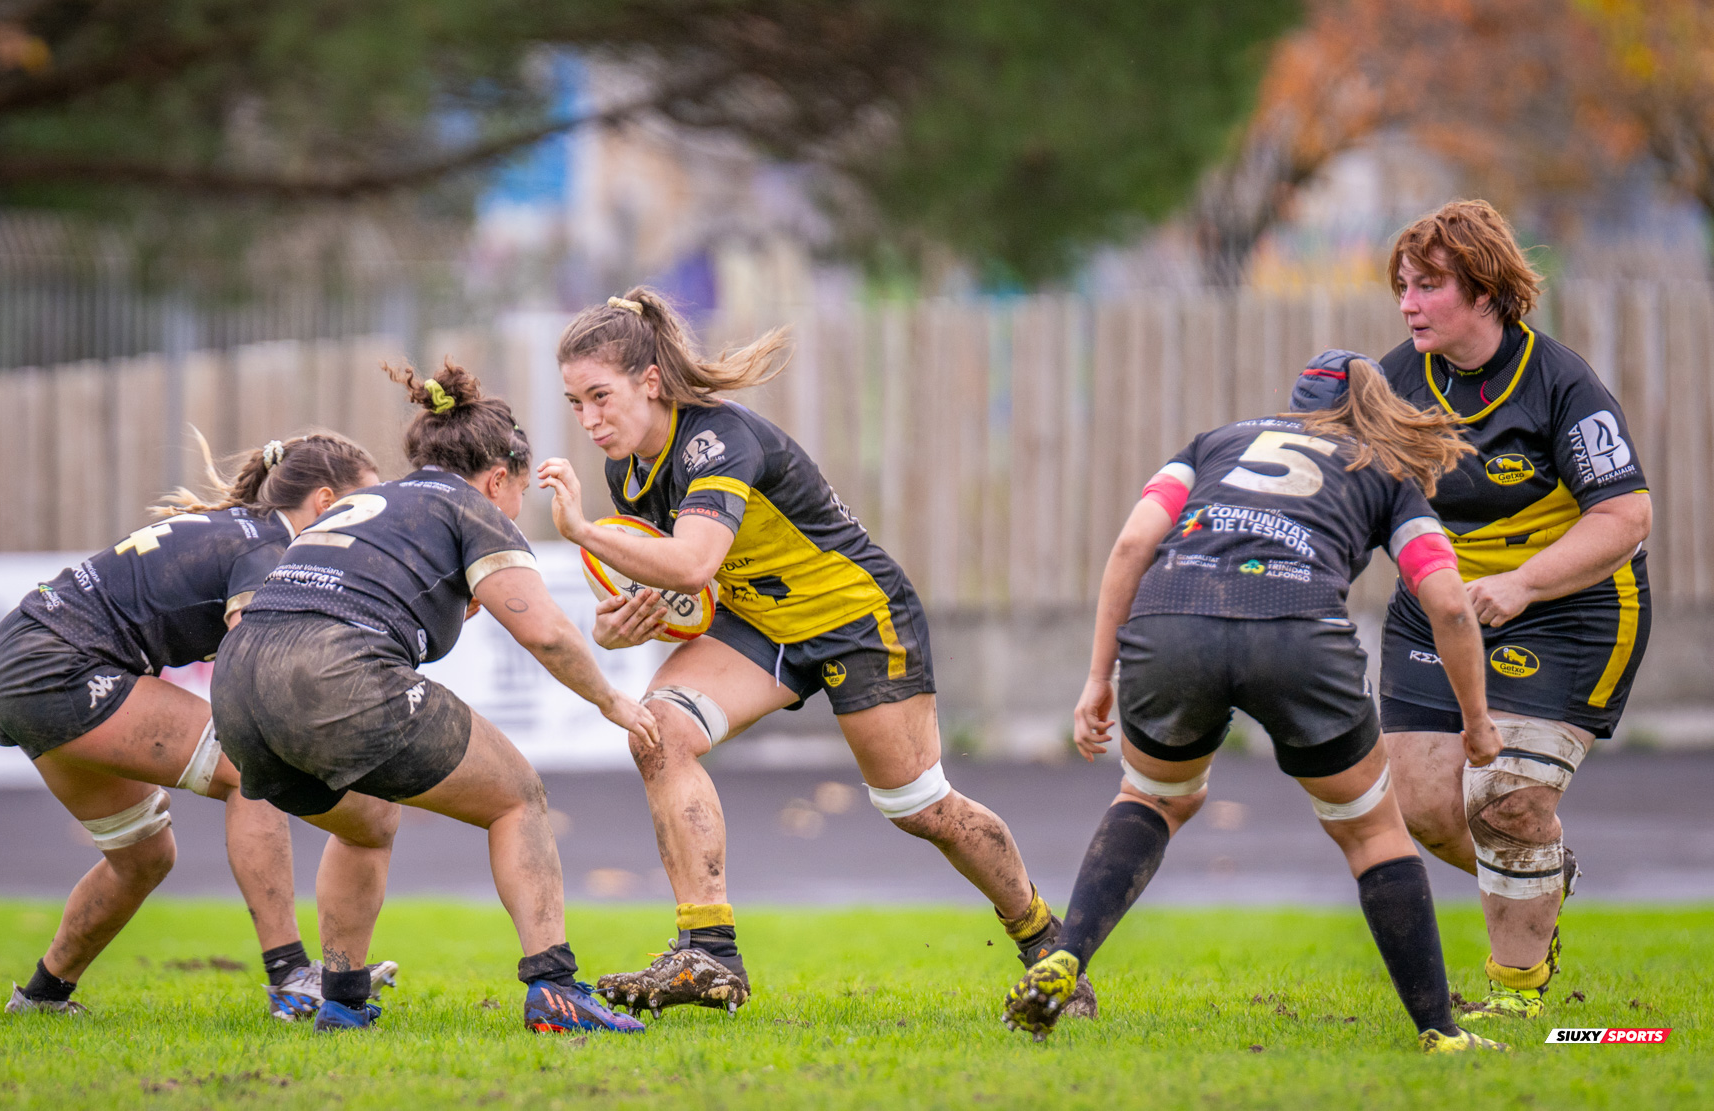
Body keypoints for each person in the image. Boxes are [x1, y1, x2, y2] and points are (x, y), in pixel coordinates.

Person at [538, 288, 1092, 1019]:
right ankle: (709, 950)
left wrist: (580, 530)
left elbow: (694, 562)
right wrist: (619, 627)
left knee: (920, 807)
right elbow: (682, 597)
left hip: (857, 616)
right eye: (575, 402)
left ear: (650, 381)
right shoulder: (629, 477)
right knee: (658, 730)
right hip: (762, 625)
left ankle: (1042, 938)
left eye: (599, 396)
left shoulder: (716, 439)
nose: (588, 419)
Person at [1002, 352, 1509, 1055]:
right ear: (1371, 409)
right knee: (1372, 834)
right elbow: (1449, 603)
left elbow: (1130, 546)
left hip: (1172, 616)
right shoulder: (1383, 468)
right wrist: (1477, 722)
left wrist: (1098, 676)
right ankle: (1440, 1031)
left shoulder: (1215, 443)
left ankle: (1068, 954)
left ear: (1295, 404)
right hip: (1295, 628)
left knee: (1153, 797)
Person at [211, 362, 658, 1034]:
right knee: (517, 797)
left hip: (238, 684)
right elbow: (544, 631)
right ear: (500, 476)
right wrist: (612, 700)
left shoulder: (379, 502)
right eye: (515, 495)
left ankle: (341, 999)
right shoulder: (472, 506)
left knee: (367, 822)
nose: (512, 513)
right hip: (332, 669)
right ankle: (556, 988)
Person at [0, 431, 383, 1019]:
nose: (374, 522)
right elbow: (256, 652)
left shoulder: (244, 530)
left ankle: (42, 998)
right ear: (324, 501)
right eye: (365, 505)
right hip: (56, 664)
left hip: (23, 657)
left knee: (144, 855)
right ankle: (292, 976)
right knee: (254, 767)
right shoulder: (272, 545)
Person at [1377, 200, 1653, 1020]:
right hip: (1438, 609)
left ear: (1486, 290)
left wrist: (1525, 582)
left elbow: (1626, 516)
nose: (1408, 303)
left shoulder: (1560, 381)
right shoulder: (1394, 381)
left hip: (1572, 608)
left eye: (1428, 285)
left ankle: (1520, 995)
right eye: (1402, 285)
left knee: (1507, 799)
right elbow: (1353, 496)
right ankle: (1541, 870)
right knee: (1424, 806)